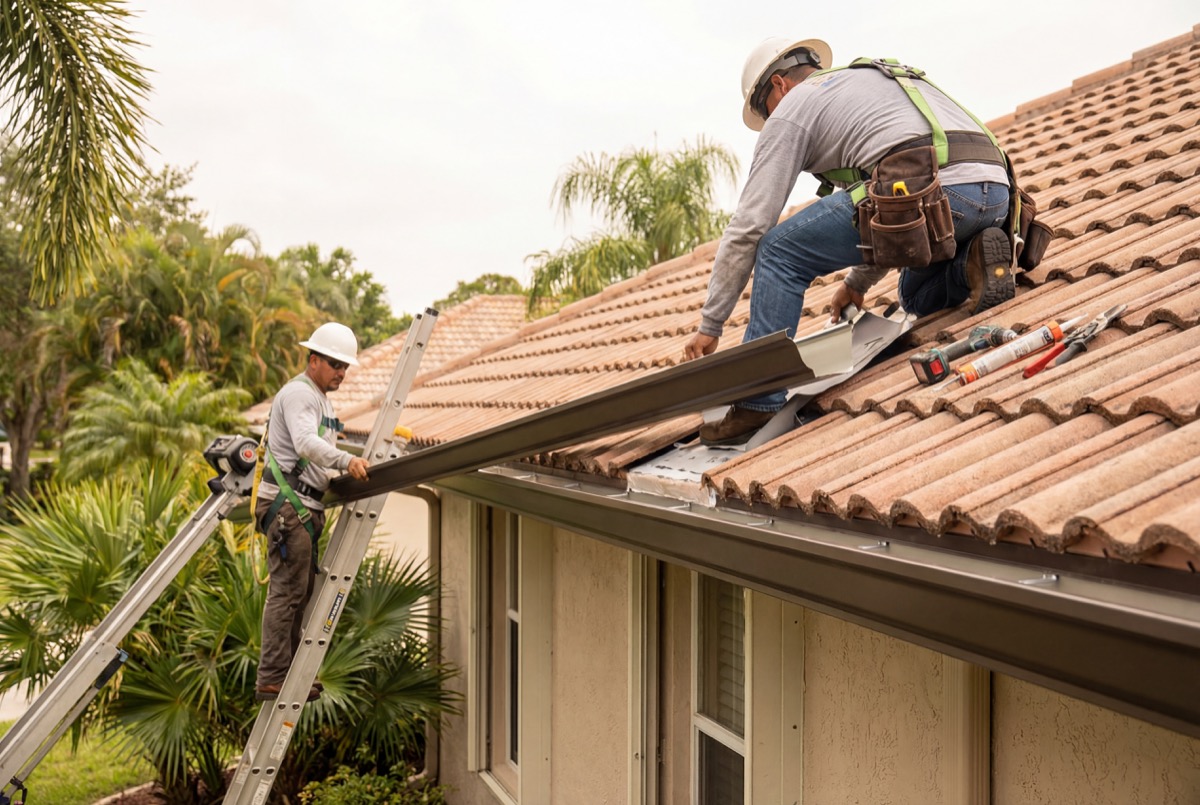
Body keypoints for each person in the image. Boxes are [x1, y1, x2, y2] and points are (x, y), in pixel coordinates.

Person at [683, 37, 1014, 445]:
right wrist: (856, 284)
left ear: (780, 87)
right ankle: (971, 262)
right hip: (995, 193)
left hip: (929, 192)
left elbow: (751, 225)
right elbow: (889, 205)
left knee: (778, 252)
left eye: (765, 113)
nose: (771, 124)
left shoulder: (793, 107)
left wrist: (711, 323)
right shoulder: (872, 79)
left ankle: (759, 401)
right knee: (914, 295)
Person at [253, 322, 370, 701]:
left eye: (345, 367)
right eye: (335, 364)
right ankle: (273, 676)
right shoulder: (301, 395)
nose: (341, 372)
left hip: (301, 506)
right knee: (287, 593)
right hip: (290, 506)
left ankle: (286, 673)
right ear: (314, 359)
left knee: (299, 594)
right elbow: (305, 443)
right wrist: (345, 461)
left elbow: (318, 442)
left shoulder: (319, 399)